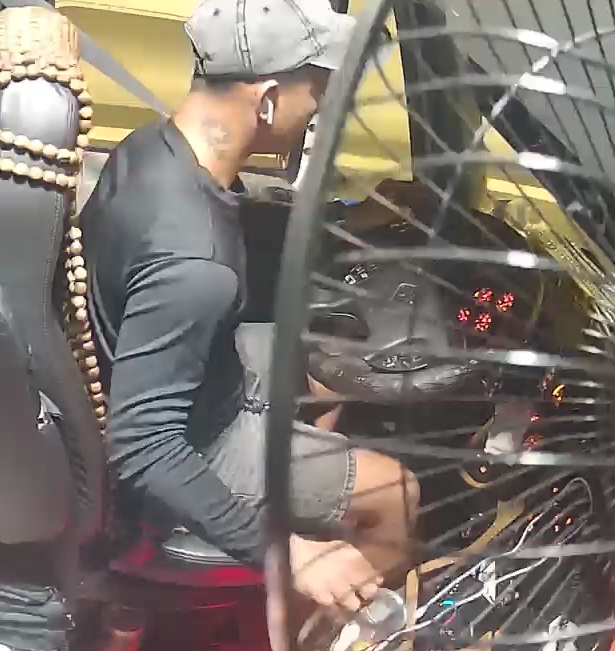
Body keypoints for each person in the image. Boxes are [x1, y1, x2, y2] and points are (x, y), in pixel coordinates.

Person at [79, 0, 421, 617]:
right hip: (200, 439)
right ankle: (336, 622)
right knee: (399, 492)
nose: (319, 107)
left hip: (205, 375)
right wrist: (288, 554)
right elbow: (142, 447)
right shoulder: (195, 262)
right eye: (316, 90)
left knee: (327, 360)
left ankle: (302, 476)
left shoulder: (148, 149)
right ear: (266, 101)